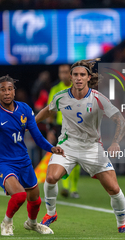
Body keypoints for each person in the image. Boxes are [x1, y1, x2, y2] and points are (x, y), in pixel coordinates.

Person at [35, 59, 125, 233]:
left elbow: (121, 121)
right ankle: (51, 213)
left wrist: (115, 142)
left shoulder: (98, 98)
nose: (79, 78)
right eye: (75, 75)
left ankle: (122, 224)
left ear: (89, 77)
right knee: (51, 177)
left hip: (92, 148)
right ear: (70, 77)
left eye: (82, 75)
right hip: (67, 145)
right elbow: (48, 110)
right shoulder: (61, 96)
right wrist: (30, 123)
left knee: (113, 188)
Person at [0, 75, 64, 236]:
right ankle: (6, 222)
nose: (7, 93)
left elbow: (37, 136)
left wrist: (51, 148)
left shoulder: (24, 109)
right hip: (2, 162)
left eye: (10, 89)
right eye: (3, 89)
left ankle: (32, 224)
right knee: (19, 196)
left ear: (14, 91)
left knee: (36, 199)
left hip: (23, 161)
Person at [47, 64, 81, 198]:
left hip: (78, 127)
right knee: (64, 157)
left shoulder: (78, 88)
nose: (64, 75)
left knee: (77, 159)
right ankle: (66, 187)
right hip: (62, 128)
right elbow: (50, 111)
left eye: (66, 72)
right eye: (61, 72)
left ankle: (74, 189)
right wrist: (50, 130)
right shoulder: (55, 89)